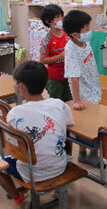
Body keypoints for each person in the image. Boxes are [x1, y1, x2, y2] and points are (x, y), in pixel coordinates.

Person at [0, 62, 74, 206]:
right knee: (64, 139)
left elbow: (12, 141)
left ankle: (17, 197)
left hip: (29, 173)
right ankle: (59, 189)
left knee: (5, 162)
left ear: (21, 87)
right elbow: (69, 124)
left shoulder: (14, 113)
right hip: (60, 168)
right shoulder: (59, 104)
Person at [63, 10, 102, 166]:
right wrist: (77, 100)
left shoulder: (85, 42)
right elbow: (73, 77)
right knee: (92, 127)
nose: (89, 31)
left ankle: (84, 153)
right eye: (86, 29)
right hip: (83, 94)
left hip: (94, 89)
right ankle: (90, 153)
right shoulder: (71, 49)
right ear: (74, 34)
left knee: (89, 126)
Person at [38, 4, 72, 102]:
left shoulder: (67, 33)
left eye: (61, 16)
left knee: (69, 101)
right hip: (55, 79)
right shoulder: (47, 39)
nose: (60, 19)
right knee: (56, 103)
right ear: (48, 21)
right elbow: (42, 60)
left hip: (69, 75)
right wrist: (60, 57)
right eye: (57, 17)